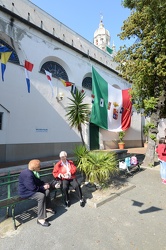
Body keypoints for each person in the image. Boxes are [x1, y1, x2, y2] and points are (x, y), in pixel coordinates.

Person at [18, 159, 55, 227]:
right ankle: (40, 219)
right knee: (41, 196)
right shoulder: (28, 175)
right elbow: (33, 188)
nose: (40, 167)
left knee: (47, 191)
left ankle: (47, 207)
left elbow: (37, 182)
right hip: (26, 193)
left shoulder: (31, 172)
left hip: (30, 190)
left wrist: (44, 184)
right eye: (39, 166)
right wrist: (43, 187)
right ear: (35, 168)